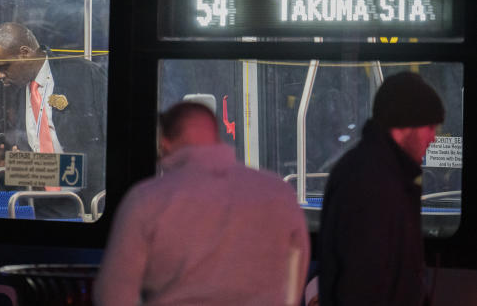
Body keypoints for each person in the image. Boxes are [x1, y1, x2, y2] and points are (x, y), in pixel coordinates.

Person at [94, 102, 309, 306]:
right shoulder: (279, 193)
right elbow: (293, 279)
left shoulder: (146, 199)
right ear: (216, 137)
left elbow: (113, 295)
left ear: (164, 143)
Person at [319, 71, 444, 306]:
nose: (434, 138)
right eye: (430, 126)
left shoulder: (388, 174)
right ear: (408, 125)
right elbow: (362, 285)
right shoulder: (369, 183)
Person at [0, 22, 106, 219]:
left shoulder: (83, 76)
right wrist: (9, 170)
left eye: (4, 66)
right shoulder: (16, 95)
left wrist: (23, 168)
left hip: (89, 205)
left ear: (25, 53)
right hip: (42, 206)